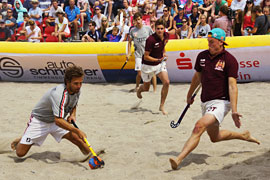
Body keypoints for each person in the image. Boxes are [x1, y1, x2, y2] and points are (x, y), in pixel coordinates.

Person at [169, 28, 260, 170]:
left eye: (212, 42)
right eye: (208, 41)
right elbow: (197, 77)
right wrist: (189, 95)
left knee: (199, 126)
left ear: (221, 41)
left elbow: (233, 86)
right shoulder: (202, 56)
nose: (209, 44)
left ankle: (179, 159)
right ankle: (244, 136)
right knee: (215, 137)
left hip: (222, 102)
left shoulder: (229, 60)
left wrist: (234, 111)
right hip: (205, 101)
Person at [11, 65, 92, 160]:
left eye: (80, 83)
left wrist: (72, 114)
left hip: (56, 120)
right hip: (41, 121)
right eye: (76, 83)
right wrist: (77, 130)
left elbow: (74, 102)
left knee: (77, 139)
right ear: (67, 82)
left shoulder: (76, 90)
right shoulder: (58, 94)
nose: (79, 86)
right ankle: (22, 139)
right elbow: (58, 121)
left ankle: (91, 157)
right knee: (20, 153)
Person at [136, 18, 170, 115]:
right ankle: (139, 90)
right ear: (155, 29)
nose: (160, 30)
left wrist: (164, 54)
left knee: (166, 82)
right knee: (146, 88)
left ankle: (161, 106)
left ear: (164, 29)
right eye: (158, 28)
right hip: (147, 66)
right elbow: (146, 57)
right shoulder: (150, 40)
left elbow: (163, 47)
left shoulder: (166, 36)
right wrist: (157, 59)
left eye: (161, 28)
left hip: (159, 64)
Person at [127, 12, 156, 93]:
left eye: (139, 19)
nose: (138, 21)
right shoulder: (133, 30)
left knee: (152, 72)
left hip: (147, 55)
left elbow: (154, 40)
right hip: (138, 55)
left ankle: (154, 90)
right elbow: (129, 42)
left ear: (141, 19)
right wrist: (129, 53)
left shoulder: (148, 28)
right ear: (135, 21)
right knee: (139, 74)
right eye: (136, 20)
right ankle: (137, 86)